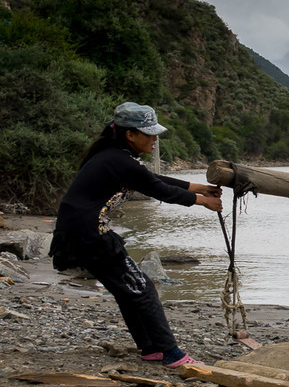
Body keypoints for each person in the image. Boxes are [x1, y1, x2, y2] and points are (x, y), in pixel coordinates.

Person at [49, 102, 223, 368]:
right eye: (149, 133)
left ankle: (151, 348)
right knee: (142, 290)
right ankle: (172, 354)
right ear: (130, 135)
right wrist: (202, 201)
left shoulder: (115, 156)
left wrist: (200, 188)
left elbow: (150, 179)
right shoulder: (118, 159)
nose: (155, 139)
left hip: (79, 231)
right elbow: (159, 190)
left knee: (129, 290)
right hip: (91, 234)